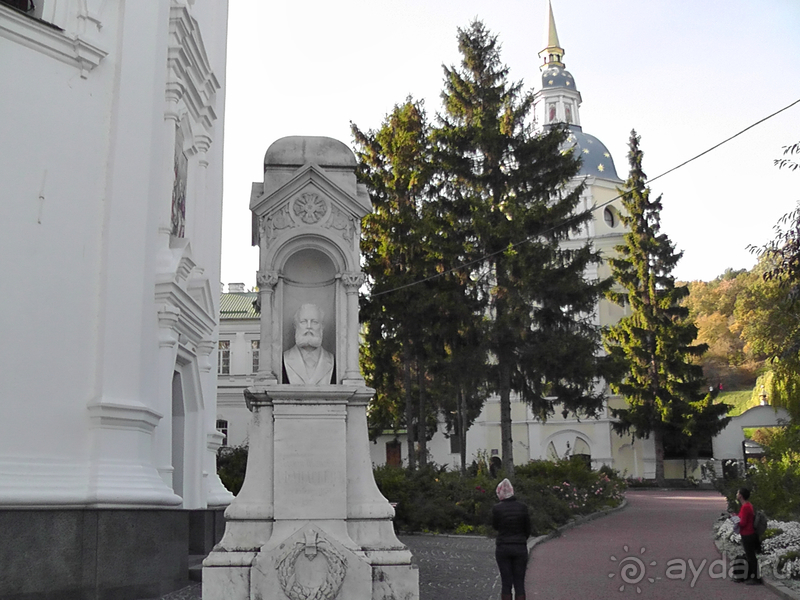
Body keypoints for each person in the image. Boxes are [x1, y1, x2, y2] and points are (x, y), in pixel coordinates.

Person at [491, 478, 531, 600]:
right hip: (519, 547)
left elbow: (495, 526)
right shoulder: (523, 507)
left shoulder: (497, 508)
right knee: (519, 582)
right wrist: (522, 539)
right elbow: (528, 528)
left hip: (503, 547)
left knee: (506, 582)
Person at [282, 303, 335, 385]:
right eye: (303, 322)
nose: (309, 326)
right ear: (295, 326)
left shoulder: (332, 360)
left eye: (314, 322)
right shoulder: (284, 359)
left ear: (322, 326)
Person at [733, 487, 762, 585]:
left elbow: (743, 522)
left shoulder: (745, 507)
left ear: (741, 496)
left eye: (738, 493)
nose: (737, 494)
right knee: (750, 555)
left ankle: (755, 577)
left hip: (747, 533)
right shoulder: (747, 505)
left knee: (751, 556)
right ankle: (751, 575)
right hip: (748, 533)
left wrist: (736, 521)